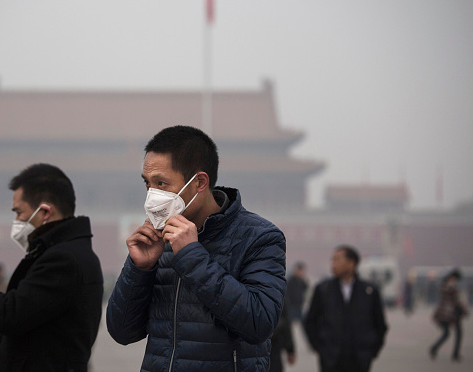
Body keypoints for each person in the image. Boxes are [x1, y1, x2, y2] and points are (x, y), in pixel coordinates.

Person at [106, 125, 287, 372]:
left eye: (162, 183)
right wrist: (140, 268)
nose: (152, 195)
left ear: (200, 182)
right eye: (148, 183)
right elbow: (122, 332)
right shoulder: (160, 241)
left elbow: (260, 323)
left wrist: (192, 255)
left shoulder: (259, 237)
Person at [0, 163, 104, 372]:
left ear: (44, 212)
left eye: (19, 212)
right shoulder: (66, 253)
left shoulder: (62, 260)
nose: (16, 220)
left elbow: (10, 314)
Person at [303, 245, 387, 372]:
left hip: (360, 360)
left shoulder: (369, 291)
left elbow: (380, 324)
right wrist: (319, 347)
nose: (333, 264)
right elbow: (310, 321)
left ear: (351, 263)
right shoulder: (323, 290)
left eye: (337, 260)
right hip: (331, 359)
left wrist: (372, 351)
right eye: (332, 260)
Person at [429, 268, 468, 362]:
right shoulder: (450, 286)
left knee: (447, 333)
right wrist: (464, 311)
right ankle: (454, 354)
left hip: (444, 314)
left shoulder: (444, 285)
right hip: (451, 314)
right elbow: (456, 301)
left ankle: (435, 348)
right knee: (457, 333)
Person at [269, 297, 296, 372]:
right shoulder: (276, 290)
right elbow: (286, 321)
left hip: (273, 343)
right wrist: (290, 350)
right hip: (274, 342)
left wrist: (290, 349)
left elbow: (286, 322)